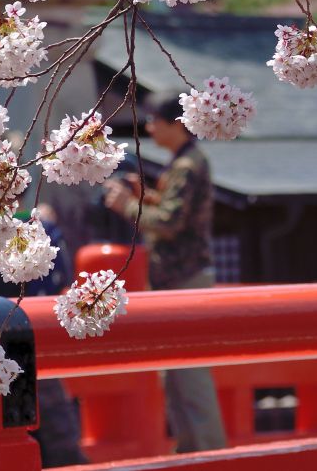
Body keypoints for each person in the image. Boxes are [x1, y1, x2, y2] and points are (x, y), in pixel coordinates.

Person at [104, 94, 226, 453]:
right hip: (179, 277)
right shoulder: (184, 162)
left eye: (156, 120)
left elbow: (172, 223)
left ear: (177, 124)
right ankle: (193, 450)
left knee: (190, 376)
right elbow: (177, 214)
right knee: (176, 375)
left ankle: (210, 453)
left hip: (184, 278)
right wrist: (148, 200)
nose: (150, 127)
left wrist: (127, 206)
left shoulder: (188, 165)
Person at [0, 204, 88, 467]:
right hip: (33, 329)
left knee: (13, 430)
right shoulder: (42, 226)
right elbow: (62, 277)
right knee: (56, 432)